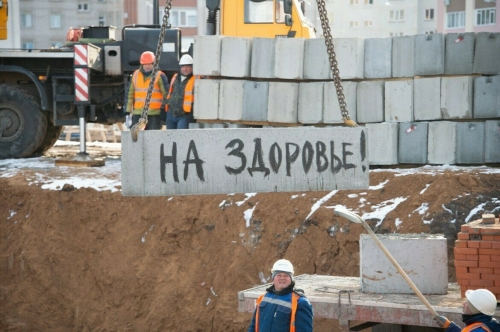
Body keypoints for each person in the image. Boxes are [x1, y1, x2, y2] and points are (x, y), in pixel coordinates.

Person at [248, 259, 313, 332]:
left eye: (286, 275)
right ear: (273, 278)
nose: (282, 278)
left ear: (291, 279)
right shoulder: (263, 298)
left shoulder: (300, 302)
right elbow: (254, 325)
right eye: (279, 275)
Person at [126, 51, 169, 130]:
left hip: (154, 114)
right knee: (136, 137)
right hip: (138, 113)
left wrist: (164, 109)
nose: (147, 66)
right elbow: (130, 94)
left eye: (149, 64)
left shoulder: (160, 75)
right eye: (145, 64)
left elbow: (166, 95)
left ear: (153, 64)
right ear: (142, 64)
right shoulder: (135, 75)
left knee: (153, 138)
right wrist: (127, 111)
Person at [435, 289, 500, 332]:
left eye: (467, 303)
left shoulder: (479, 330)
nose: (464, 304)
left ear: (475, 309)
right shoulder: (483, 325)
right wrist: (449, 326)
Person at [164, 54, 196, 129]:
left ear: (192, 67)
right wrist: (164, 108)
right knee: (170, 138)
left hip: (184, 116)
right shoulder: (175, 77)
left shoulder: (196, 79)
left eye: (188, 66)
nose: (185, 69)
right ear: (180, 67)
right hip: (171, 114)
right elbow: (169, 93)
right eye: (183, 67)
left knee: (181, 138)